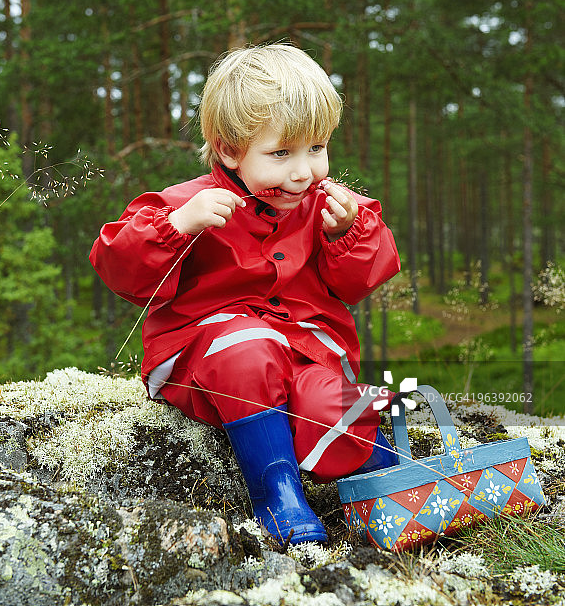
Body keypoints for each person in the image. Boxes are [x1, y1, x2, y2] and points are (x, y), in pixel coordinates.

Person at [90, 43, 401, 545]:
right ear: (230, 148)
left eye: (317, 148)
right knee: (249, 349)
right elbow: (119, 269)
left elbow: (360, 280)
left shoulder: (329, 206)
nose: (304, 171)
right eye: (282, 153)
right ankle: (277, 494)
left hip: (305, 350)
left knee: (326, 403)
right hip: (206, 355)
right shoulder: (185, 204)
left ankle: (391, 475)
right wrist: (174, 229)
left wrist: (348, 234)